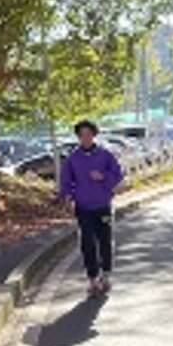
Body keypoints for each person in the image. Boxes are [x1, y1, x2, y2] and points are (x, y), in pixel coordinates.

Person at [58, 120, 124, 296]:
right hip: (83, 207)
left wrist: (103, 176)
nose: (85, 138)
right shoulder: (73, 158)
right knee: (87, 242)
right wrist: (67, 196)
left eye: (88, 134)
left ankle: (106, 275)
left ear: (94, 135)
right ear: (78, 137)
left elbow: (118, 175)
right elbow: (66, 181)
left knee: (105, 240)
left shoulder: (105, 155)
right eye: (82, 135)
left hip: (103, 205)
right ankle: (92, 279)